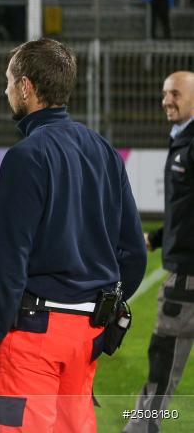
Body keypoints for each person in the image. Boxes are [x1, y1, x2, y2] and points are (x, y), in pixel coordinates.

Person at [0, 38, 148, 432]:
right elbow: (134, 254)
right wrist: (101, 316)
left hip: (31, 339)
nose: (5, 90)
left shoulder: (26, 156)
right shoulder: (104, 151)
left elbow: (6, 267)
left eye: (10, 82)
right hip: (86, 338)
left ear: (26, 87)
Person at [124, 71, 194, 433]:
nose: (167, 100)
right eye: (165, 93)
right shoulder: (182, 138)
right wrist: (155, 239)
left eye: (176, 94)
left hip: (187, 280)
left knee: (161, 371)